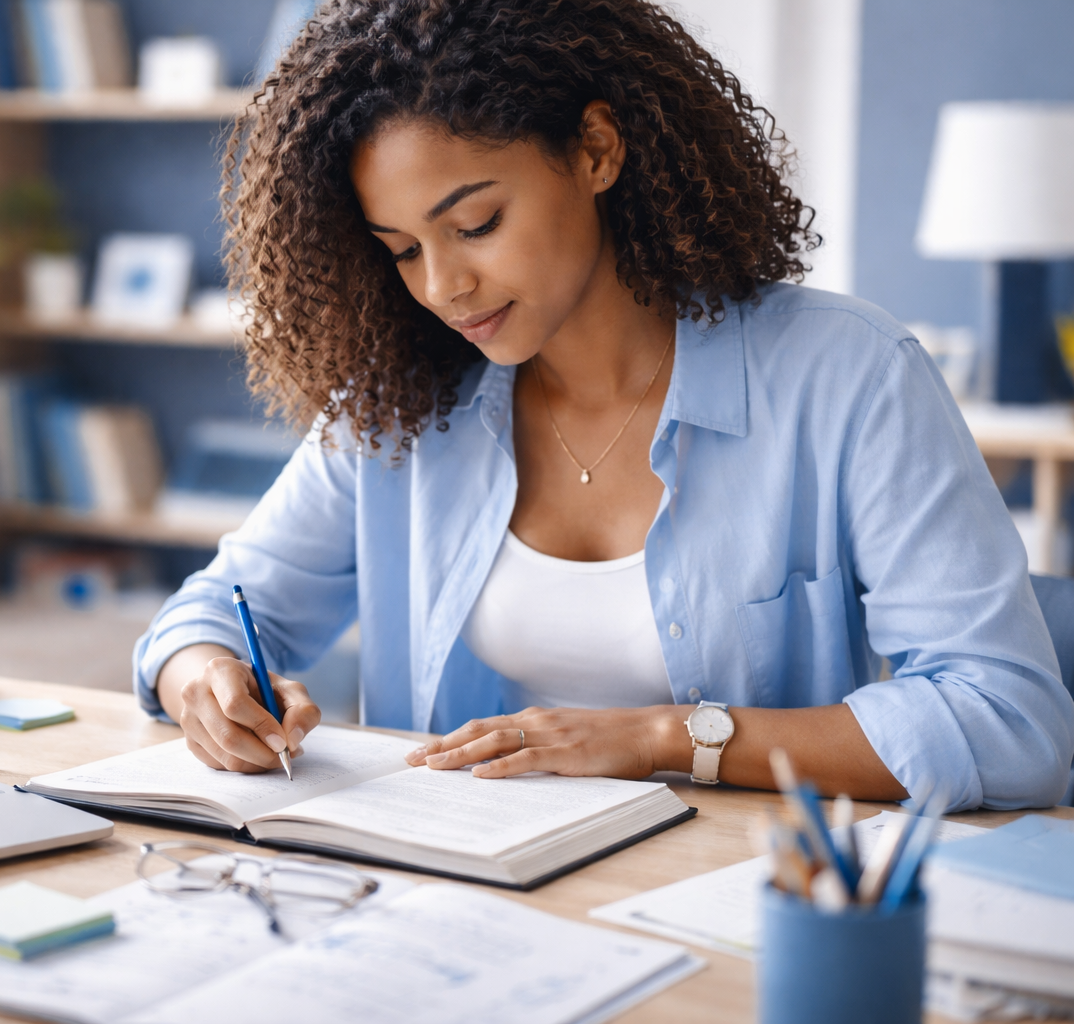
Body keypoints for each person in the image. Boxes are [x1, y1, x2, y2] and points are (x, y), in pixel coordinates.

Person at [132, 0, 1074, 811]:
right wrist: (206, 680)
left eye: (476, 224)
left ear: (596, 150)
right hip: (458, 893)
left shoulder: (849, 377)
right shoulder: (405, 397)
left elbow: (1010, 721)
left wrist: (667, 738)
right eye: (403, 250)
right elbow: (208, 613)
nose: (444, 287)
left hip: (734, 901)